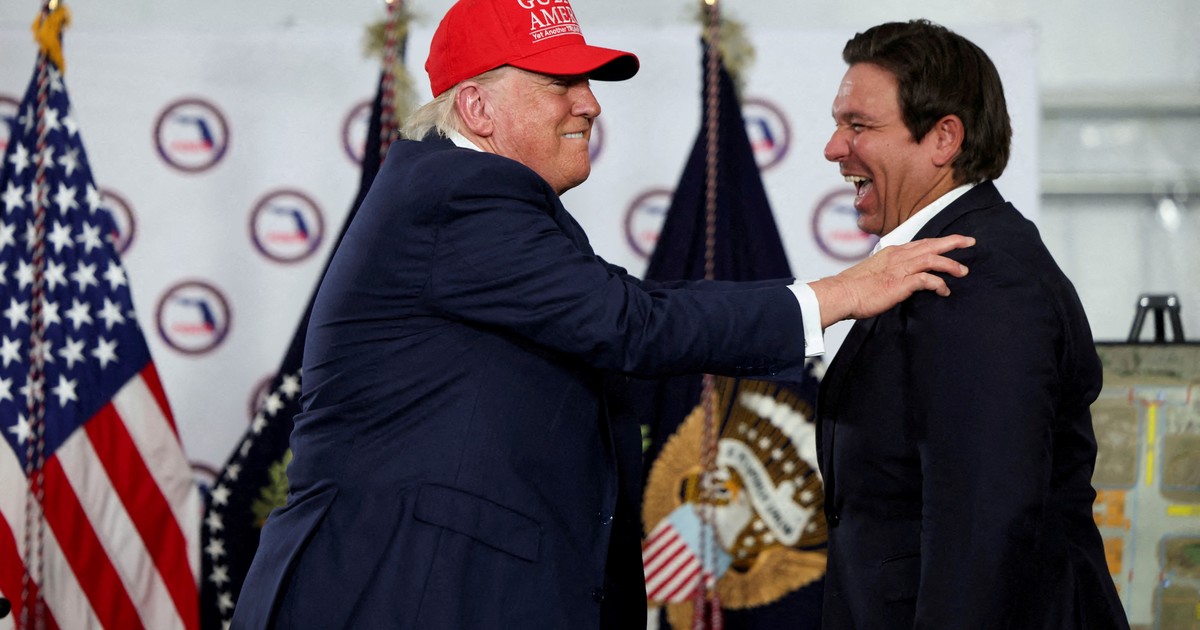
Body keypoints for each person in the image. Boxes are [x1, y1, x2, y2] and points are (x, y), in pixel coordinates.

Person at [230, 3, 974, 629]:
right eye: (560, 82)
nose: (588, 103)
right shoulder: (459, 194)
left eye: (585, 82)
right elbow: (632, 324)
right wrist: (839, 293)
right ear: (477, 107)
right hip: (400, 593)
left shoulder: (468, 196)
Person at [814, 19, 1129, 629]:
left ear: (944, 138)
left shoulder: (981, 277)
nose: (833, 147)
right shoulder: (936, 260)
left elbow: (981, 530)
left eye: (859, 125)